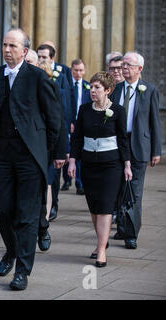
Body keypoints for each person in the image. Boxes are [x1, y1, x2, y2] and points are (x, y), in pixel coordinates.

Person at [0, 29, 61, 290]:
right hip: (0, 155)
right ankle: (11, 250)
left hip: (29, 157)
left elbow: (54, 120)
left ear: (25, 51)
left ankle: (22, 271)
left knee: (27, 215)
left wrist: (45, 152)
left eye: (13, 46)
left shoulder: (38, 78)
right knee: (3, 210)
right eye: (5, 45)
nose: (7, 50)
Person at [69, 71, 132, 267]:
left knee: (105, 206)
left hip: (111, 165)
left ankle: (101, 249)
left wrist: (127, 165)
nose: (92, 91)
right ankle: (101, 242)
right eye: (91, 87)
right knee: (94, 207)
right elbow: (78, 137)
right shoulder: (84, 109)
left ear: (108, 90)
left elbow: (123, 140)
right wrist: (72, 161)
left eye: (97, 88)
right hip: (88, 165)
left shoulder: (118, 111)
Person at [110, 51, 162, 249]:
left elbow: (154, 122)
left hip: (139, 145)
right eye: (122, 64)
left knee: (135, 191)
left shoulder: (148, 90)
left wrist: (156, 150)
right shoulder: (115, 89)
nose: (123, 68)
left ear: (139, 69)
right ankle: (122, 227)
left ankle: (131, 234)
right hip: (118, 144)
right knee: (119, 189)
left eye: (128, 65)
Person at [37, 43, 74, 220]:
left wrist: (67, 128)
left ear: (52, 58)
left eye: (44, 57)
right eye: (39, 56)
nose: (41, 60)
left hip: (56, 131)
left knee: (54, 174)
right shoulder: (35, 74)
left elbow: (66, 103)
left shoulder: (62, 73)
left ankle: (53, 205)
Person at [36, 61, 67, 252]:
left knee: (42, 189)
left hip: (43, 148)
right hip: (14, 151)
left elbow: (59, 120)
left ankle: (42, 228)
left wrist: (59, 152)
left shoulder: (50, 87)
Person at [64, 59, 92, 195]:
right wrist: (68, 121)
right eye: (76, 70)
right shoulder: (67, 85)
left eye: (81, 70)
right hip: (69, 122)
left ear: (84, 71)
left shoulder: (88, 87)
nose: (78, 73)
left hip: (82, 124)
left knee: (79, 154)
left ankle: (80, 183)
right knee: (67, 152)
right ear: (71, 70)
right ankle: (66, 179)